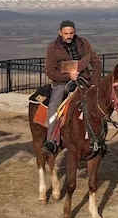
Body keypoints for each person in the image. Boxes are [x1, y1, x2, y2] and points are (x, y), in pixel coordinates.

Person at [42, 20, 102, 155]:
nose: (69, 36)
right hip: (62, 84)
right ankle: (51, 140)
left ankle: (99, 138)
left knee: (99, 105)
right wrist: (69, 76)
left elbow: (96, 62)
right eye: (66, 33)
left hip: (84, 80)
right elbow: (50, 71)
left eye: (71, 33)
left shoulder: (84, 43)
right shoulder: (53, 48)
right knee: (54, 106)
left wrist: (94, 83)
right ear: (60, 33)